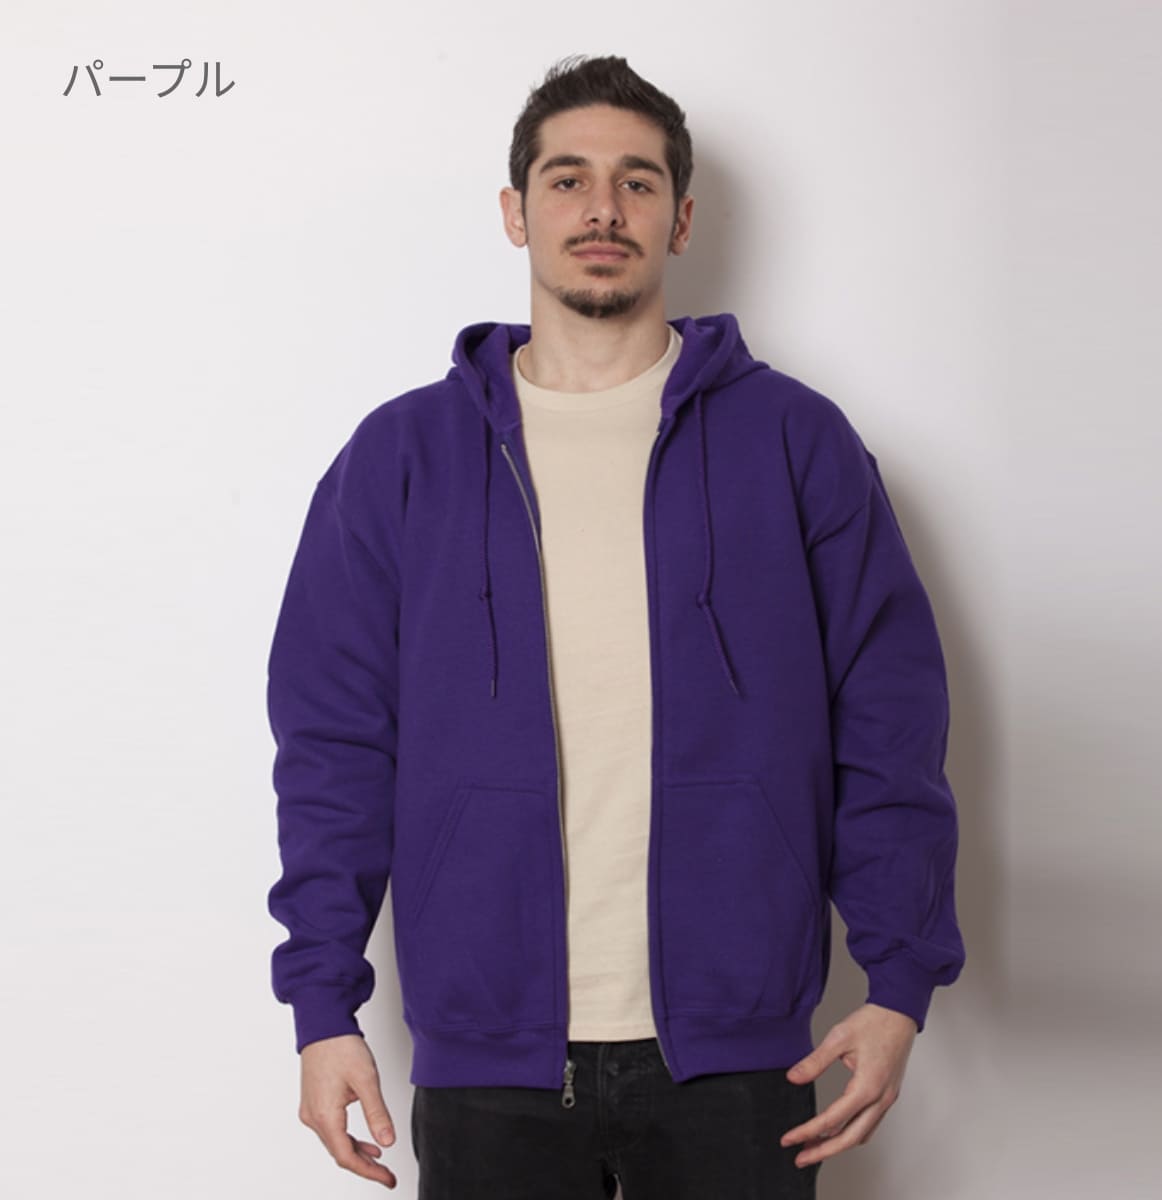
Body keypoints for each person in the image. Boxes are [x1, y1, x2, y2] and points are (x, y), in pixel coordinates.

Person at [266, 53, 966, 1199]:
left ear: (681, 217)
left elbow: (889, 721)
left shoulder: (795, 442)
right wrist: (321, 1005)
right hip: (488, 1061)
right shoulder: (403, 457)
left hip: (740, 1055)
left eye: (637, 182)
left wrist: (899, 983)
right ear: (516, 211)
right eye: (568, 180)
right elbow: (333, 745)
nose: (602, 208)